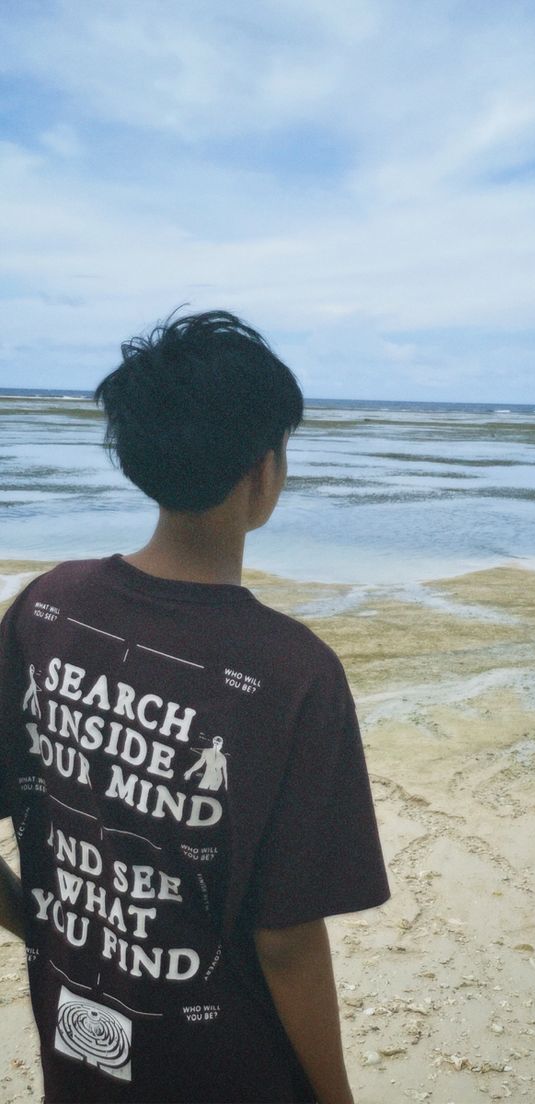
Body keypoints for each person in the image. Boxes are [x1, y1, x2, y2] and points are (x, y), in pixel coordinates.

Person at [0, 310, 390, 1103]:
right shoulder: (293, 674)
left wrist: (40, 924)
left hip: (79, 1055)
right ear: (263, 468)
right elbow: (285, 942)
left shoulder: (47, 607)